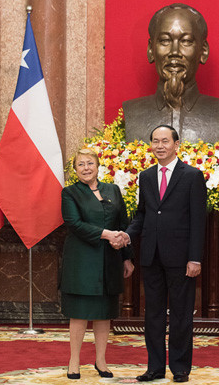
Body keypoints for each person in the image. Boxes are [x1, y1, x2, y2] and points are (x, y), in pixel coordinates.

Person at [123, 125, 208, 383]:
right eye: (155, 141)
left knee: (181, 315)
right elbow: (143, 213)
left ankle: (180, 368)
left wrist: (195, 258)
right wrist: (127, 234)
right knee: (153, 315)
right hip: (151, 256)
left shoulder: (192, 176)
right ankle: (155, 368)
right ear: (150, 145)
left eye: (165, 141)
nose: (160, 146)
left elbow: (198, 221)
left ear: (176, 144)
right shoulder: (146, 176)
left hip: (182, 258)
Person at [60, 148, 134, 380]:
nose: (86, 168)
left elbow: (124, 223)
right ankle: (74, 361)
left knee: (104, 314)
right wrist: (106, 234)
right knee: (80, 313)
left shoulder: (112, 189)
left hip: (110, 260)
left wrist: (127, 256)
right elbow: (73, 223)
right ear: (75, 170)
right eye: (80, 164)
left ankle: (101, 360)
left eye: (90, 163)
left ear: (98, 165)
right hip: (81, 261)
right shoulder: (69, 193)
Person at [123, 3, 219, 144]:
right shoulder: (133, 112)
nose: (174, 52)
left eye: (186, 41)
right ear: (151, 50)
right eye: (165, 41)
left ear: (203, 51)